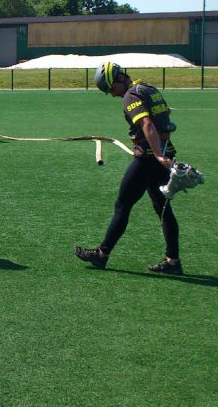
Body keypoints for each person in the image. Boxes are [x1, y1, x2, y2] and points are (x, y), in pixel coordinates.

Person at [74, 61, 182, 274]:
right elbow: (166, 117)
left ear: (119, 78)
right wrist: (160, 151)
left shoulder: (131, 96)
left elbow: (147, 124)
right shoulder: (148, 88)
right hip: (163, 153)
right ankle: (173, 261)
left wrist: (157, 154)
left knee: (123, 204)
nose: (113, 94)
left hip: (149, 159)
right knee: (162, 208)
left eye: (111, 89)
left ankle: (102, 255)